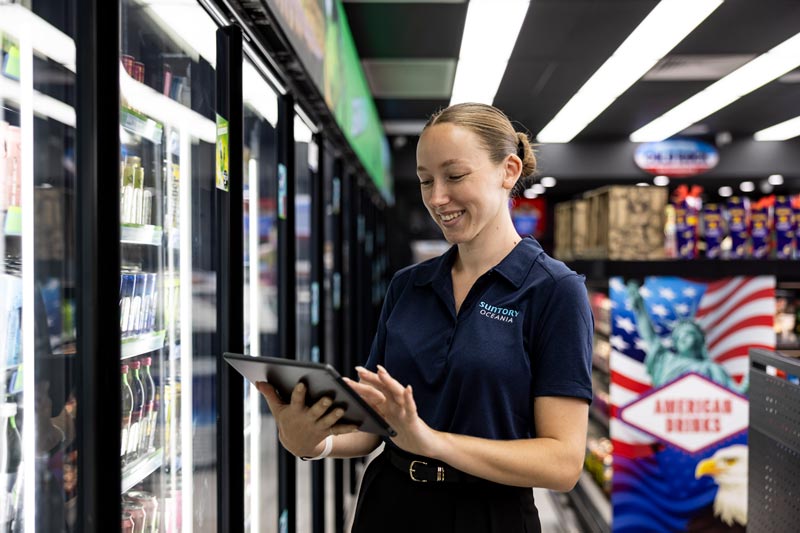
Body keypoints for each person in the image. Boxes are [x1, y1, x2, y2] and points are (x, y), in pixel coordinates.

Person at [257, 102, 593, 532]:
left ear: (508, 170)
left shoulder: (554, 291)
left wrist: (432, 442)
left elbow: (562, 463)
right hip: (388, 506)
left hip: (489, 515)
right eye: (424, 180)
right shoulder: (408, 286)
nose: (437, 197)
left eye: (454, 176)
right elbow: (374, 426)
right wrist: (311, 440)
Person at [626, 280, 748, 393]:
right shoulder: (666, 360)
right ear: (676, 345)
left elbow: (735, 395)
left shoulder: (714, 369)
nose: (683, 338)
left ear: (699, 341)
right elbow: (650, 337)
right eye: (679, 337)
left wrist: (748, 384)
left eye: (689, 333)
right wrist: (639, 306)